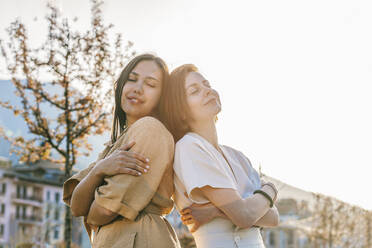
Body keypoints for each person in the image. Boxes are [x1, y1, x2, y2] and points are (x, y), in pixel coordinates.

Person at [63, 54, 181, 248]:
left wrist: (93, 208)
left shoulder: (150, 129)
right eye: (132, 79)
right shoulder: (116, 144)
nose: (137, 88)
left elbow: (103, 211)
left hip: (142, 238)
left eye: (150, 84)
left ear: (162, 97)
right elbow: (77, 206)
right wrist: (99, 170)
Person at [162, 64, 279, 247]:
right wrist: (270, 190)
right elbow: (244, 216)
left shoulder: (238, 156)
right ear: (181, 111)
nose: (208, 91)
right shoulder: (189, 147)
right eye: (195, 91)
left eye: (207, 85)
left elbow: (274, 218)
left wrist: (216, 211)